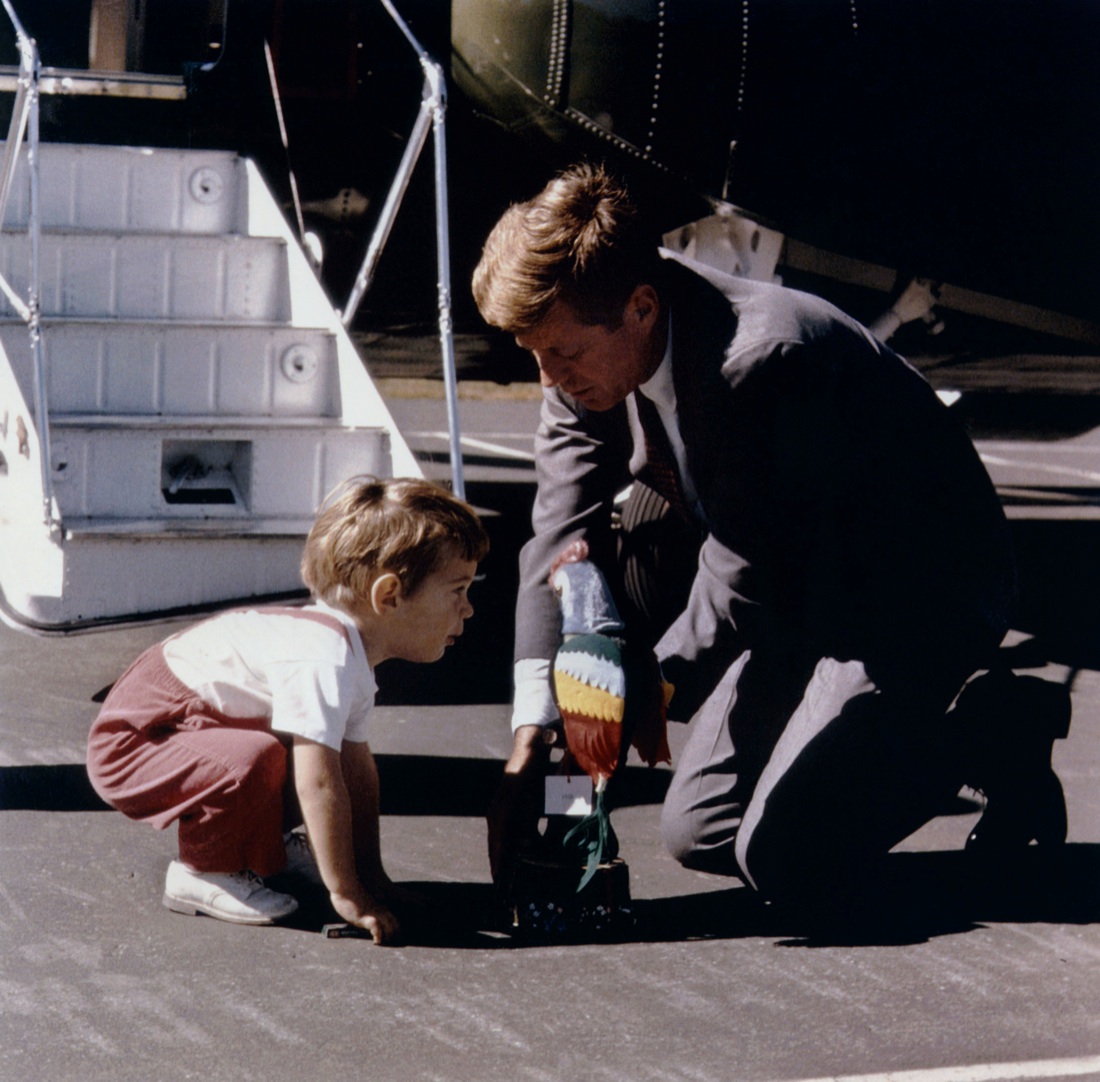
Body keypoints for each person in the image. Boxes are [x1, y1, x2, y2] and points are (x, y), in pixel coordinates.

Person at [473, 162, 1070, 911]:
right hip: (801, 588)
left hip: (915, 597)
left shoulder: (761, 359)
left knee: (786, 857)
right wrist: (537, 727)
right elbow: (558, 541)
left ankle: (995, 731)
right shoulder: (583, 356)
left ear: (641, 307)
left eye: (562, 354)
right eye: (535, 355)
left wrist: (617, 713)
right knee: (701, 834)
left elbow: (742, 572)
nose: (548, 378)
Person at [87, 477, 488, 943]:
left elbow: (357, 776)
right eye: (458, 590)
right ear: (390, 596)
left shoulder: (349, 655)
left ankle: (262, 848)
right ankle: (203, 870)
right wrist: (348, 894)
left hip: (185, 728)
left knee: (315, 755)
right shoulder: (323, 657)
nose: (469, 609)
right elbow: (317, 784)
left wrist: (373, 879)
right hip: (134, 741)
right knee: (265, 758)